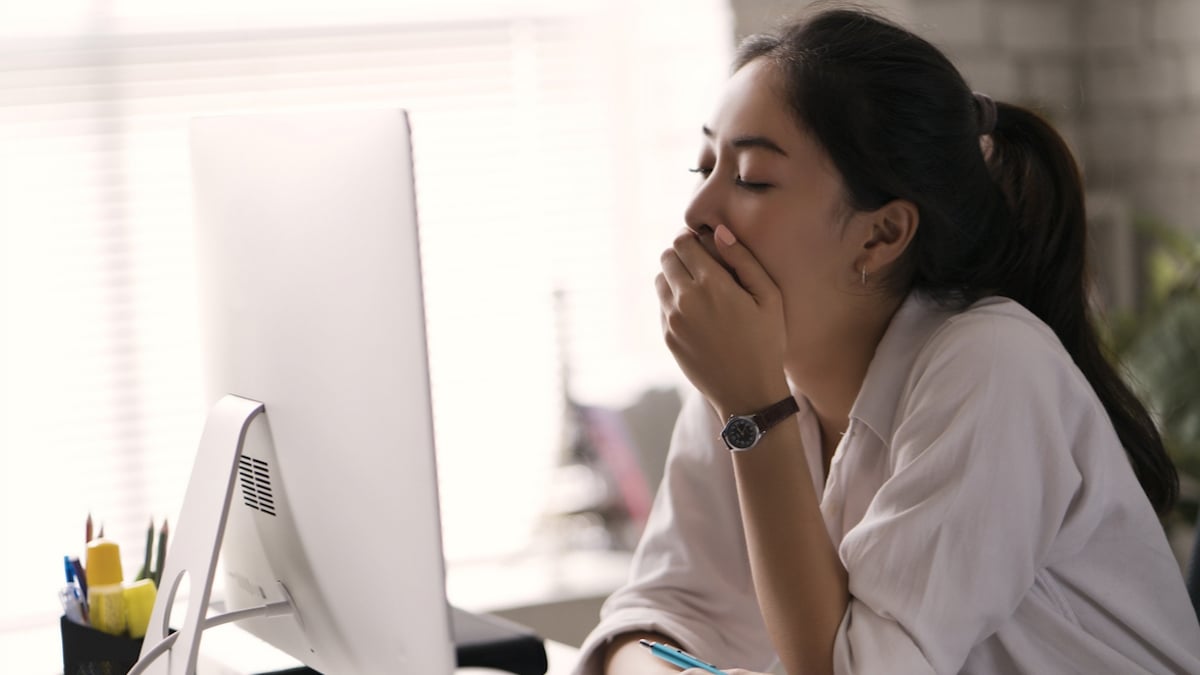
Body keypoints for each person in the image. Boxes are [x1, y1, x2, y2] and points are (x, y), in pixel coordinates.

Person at [572, 6, 1200, 675]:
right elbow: (655, 614)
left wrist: (754, 413)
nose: (697, 213)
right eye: (704, 169)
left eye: (751, 178)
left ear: (881, 234)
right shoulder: (743, 377)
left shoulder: (991, 367)